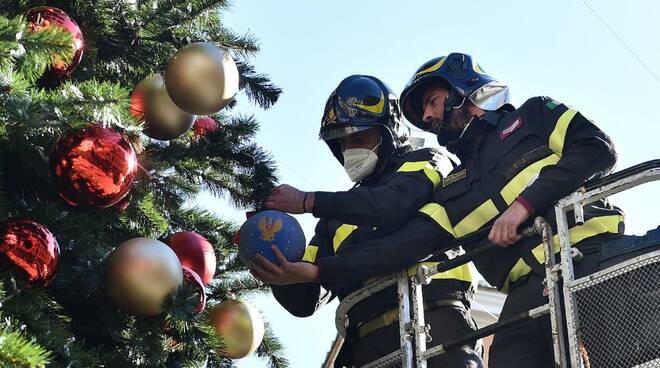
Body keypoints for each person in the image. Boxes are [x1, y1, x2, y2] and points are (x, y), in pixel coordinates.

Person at [396, 52, 628, 367]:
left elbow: (597, 148)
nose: (425, 115)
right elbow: (404, 242)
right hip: (524, 297)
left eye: (431, 101)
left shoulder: (535, 115)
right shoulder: (450, 189)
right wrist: (321, 267)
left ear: (461, 90)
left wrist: (524, 205)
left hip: (590, 259)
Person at [249, 74, 484, 367]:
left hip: (438, 325)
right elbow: (305, 297)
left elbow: (393, 206)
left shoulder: (429, 161)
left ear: (389, 132)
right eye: (342, 143)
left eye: (359, 137)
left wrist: (309, 201)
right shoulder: (335, 217)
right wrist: (270, 253)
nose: (350, 149)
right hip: (366, 346)